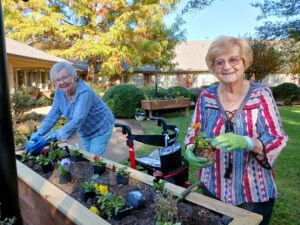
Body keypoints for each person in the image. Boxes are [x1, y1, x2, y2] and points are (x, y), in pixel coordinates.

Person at [184, 36, 288, 225]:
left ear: (244, 62)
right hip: (213, 187)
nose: (226, 66)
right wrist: (190, 147)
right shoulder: (206, 97)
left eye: (233, 59)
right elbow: (193, 131)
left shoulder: (260, 95)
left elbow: (277, 137)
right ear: (213, 67)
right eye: (219, 62)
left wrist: (248, 142)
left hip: (254, 192)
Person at [29, 62, 115, 157]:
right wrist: (39, 133)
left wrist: (48, 138)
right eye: (58, 80)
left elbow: (77, 120)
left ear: (74, 76)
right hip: (85, 131)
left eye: (65, 77)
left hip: (101, 128)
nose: (62, 82)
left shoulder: (84, 92)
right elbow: (53, 114)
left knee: (95, 160)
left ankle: (97, 171)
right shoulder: (59, 92)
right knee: (87, 157)